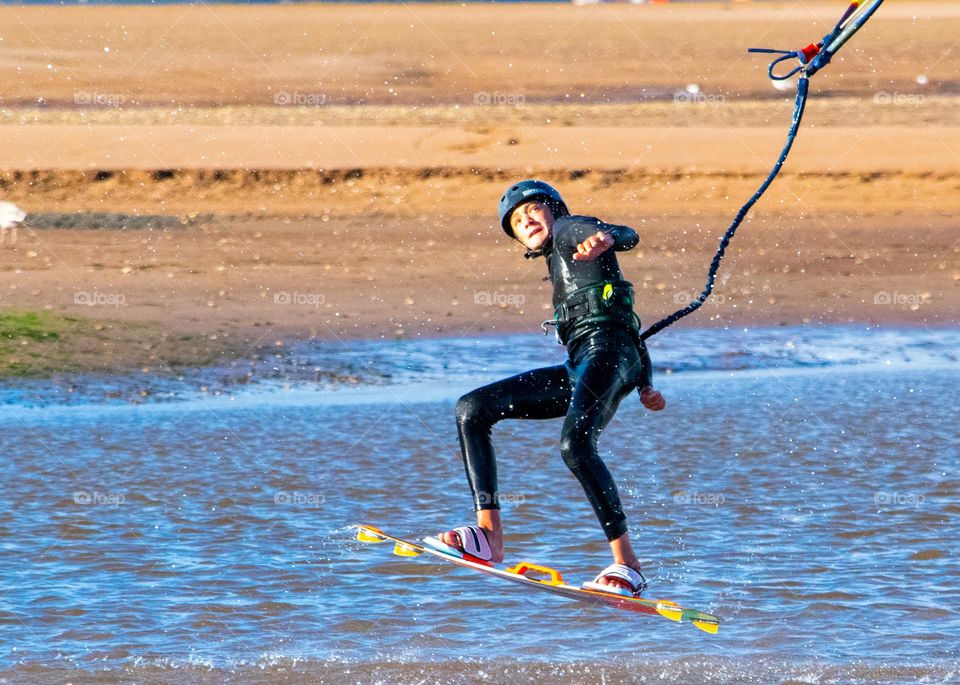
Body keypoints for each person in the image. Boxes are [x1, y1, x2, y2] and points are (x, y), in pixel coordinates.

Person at [428, 180, 666, 596]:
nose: (527, 220)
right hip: (585, 362)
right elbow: (629, 319)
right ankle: (489, 536)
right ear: (518, 238)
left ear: (554, 210)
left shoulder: (571, 230)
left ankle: (628, 566)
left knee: (576, 446)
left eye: (534, 210)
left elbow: (627, 234)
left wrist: (605, 238)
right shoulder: (556, 261)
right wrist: (645, 381)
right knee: (472, 409)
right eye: (517, 221)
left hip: (609, 352)